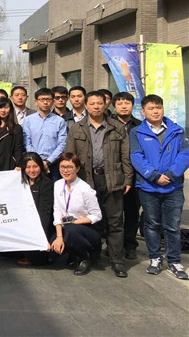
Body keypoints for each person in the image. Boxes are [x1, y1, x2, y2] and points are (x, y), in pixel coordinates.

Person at [65, 91, 133, 278]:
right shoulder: (76, 128)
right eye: (92, 103)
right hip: (85, 180)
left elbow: (125, 155)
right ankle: (85, 258)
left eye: (99, 103)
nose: (96, 106)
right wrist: (70, 180)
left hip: (112, 179)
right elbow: (70, 156)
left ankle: (117, 261)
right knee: (86, 221)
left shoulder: (117, 127)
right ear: (86, 106)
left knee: (115, 222)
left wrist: (128, 178)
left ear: (105, 105)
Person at [129, 94, 189, 280]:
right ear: (143, 111)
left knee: (172, 226)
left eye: (158, 107)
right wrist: (154, 176)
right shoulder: (137, 132)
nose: (155, 111)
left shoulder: (177, 130)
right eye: (151, 108)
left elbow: (185, 153)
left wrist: (171, 175)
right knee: (152, 224)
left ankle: (174, 260)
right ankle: (155, 258)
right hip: (148, 187)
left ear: (163, 109)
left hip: (173, 187)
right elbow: (136, 156)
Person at [49, 153, 102, 276]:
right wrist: (59, 237)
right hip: (67, 226)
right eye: (62, 167)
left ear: (77, 169)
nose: (65, 170)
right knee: (52, 251)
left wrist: (75, 222)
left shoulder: (85, 189)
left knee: (71, 230)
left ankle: (85, 257)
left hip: (87, 228)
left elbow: (97, 215)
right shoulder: (57, 185)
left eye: (69, 167)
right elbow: (57, 211)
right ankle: (73, 254)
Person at [111, 91, 142, 259]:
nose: (124, 106)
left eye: (127, 103)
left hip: (135, 175)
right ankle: (114, 246)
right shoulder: (108, 124)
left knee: (132, 212)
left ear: (132, 105)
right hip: (113, 173)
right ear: (114, 107)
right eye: (120, 103)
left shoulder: (140, 126)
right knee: (113, 214)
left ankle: (130, 245)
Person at [17, 152, 54, 266]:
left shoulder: (47, 184)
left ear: (41, 167)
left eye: (35, 166)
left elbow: (45, 214)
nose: (32, 170)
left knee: (37, 258)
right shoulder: (20, 181)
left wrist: (41, 238)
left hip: (39, 227)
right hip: (22, 225)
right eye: (28, 167)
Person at [22, 88, 67, 180]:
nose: (45, 102)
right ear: (36, 102)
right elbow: (27, 142)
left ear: (53, 101)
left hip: (53, 164)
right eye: (42, 99)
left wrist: (48, 161)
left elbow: (62, 144)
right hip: (33, 164)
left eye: (48, 99)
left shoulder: (59, 121)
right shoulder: (28, 120)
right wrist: (36, 160)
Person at [0, 98, 24, 172]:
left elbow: (18, 149)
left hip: (8, 166)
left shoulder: (16, 128)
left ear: (10, 109)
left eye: (6, 107)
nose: (3, 110)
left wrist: (18, 165)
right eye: (0, 108)